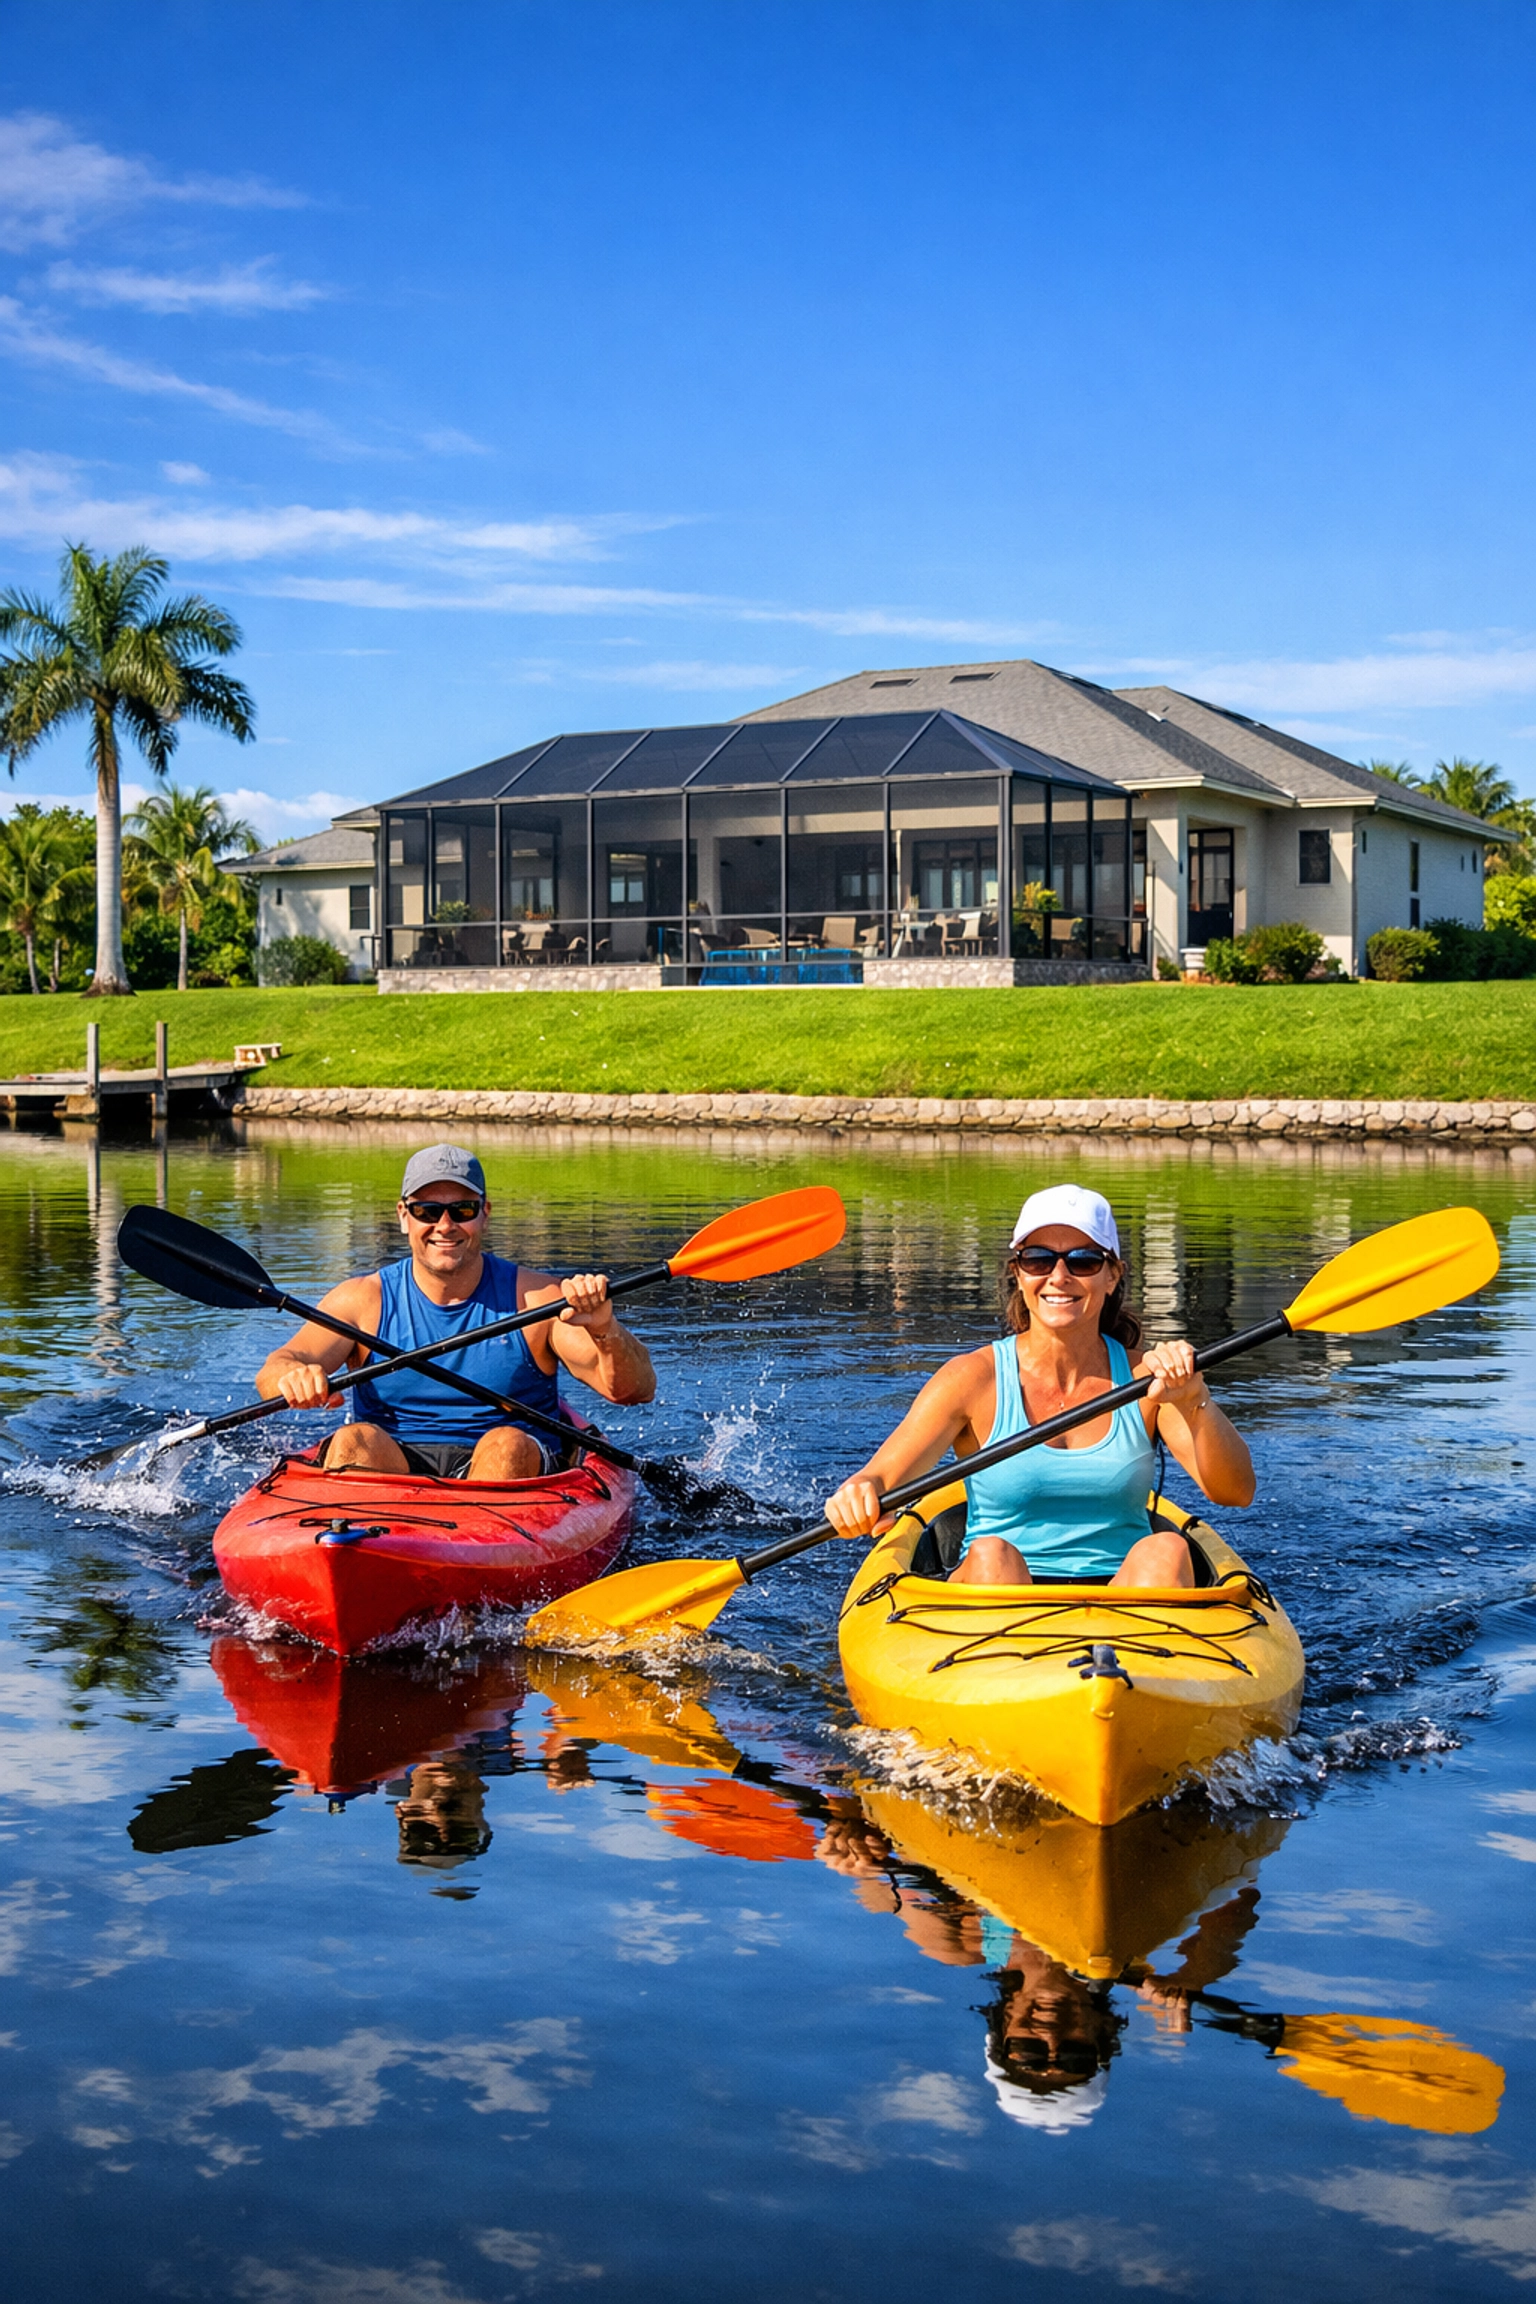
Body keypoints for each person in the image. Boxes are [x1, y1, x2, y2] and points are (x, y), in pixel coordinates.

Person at [823, 1182, 1253, 1585]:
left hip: (1125, 1608)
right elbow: (879, 1479)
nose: (1059, 1276)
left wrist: (1196, 1399)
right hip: (999, 1598)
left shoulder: (1149, 1380)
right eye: (1038, 1259)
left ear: (1112, 1275)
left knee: (1167, 1551)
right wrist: (858, 1495)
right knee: (993, 1555)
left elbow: (1235, 1492)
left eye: (1083, 1260)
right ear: (1019, 1273)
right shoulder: (973, 1379)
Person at [255, 1143, 655, 1481]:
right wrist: (293, 1378)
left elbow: (632, 1390)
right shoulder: (361, 1300)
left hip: (510, 1478)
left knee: (505, 1444)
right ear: (402, 1216)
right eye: (427, 1211)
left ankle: (482, 1559)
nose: (444, 1225)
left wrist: (606, 1330)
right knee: (352, 1441)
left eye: (461, 1210)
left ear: (484, 1214)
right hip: (393, 1473)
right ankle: (361, 1547)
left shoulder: (537, 1300)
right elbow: (276, 1368)